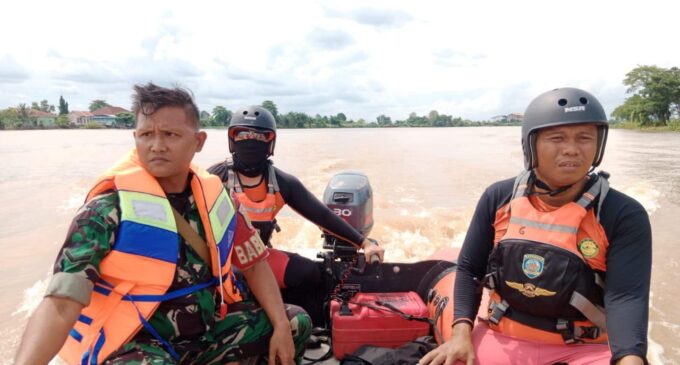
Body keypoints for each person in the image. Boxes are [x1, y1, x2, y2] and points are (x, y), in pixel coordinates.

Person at [14, 83, 311, 365]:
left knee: (295, 322)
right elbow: (62, 302)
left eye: (170, 134)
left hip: (204, 332)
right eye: (146, 135)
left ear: (198, 141)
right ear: (135, 138)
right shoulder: (107, 210)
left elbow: (254, 264)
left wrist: (281, 327)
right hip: (138, 345)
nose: (157, 146)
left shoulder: (217, 199)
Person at [420, 88, 651, 365]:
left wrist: (631, 358)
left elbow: (626, 296)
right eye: (557, 138)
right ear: (531, 145)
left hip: (586, 351)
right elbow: (470, 269)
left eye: (585, 138)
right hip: (503, 337)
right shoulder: (497, 198)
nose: (571, 149)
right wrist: (460, 333)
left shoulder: (622, 214)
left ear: (598, 146)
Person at [207, 105, 384, 326]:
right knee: (238, 279)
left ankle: (303, 325)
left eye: (259, 136)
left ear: (270, 143)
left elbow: (322, 216)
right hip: (221, 261)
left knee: (308, 272)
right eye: (243, 134)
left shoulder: (282, 182)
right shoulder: (213, 178)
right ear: (232, 140)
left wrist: (364, 242)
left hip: (260, 257)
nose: (251, 141)